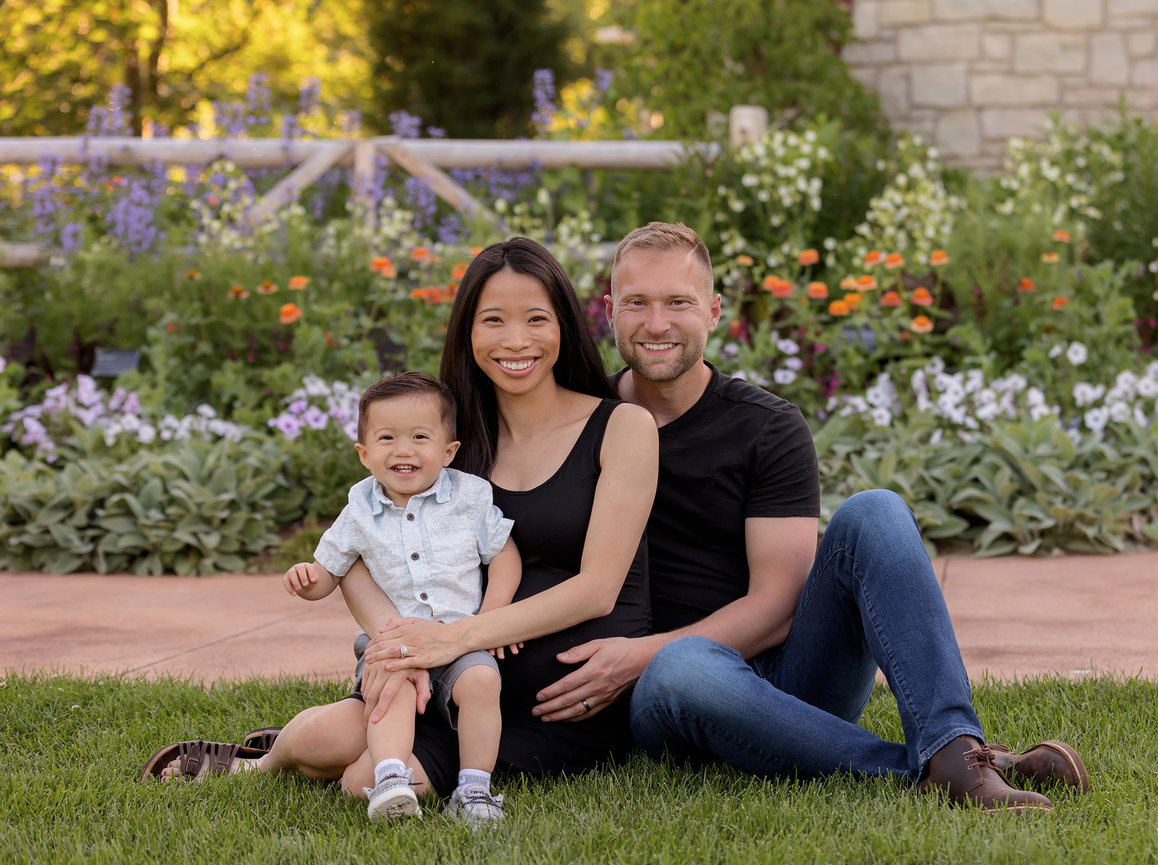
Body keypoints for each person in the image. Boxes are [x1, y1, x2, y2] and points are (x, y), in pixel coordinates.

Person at [515, 221, 1089, 812]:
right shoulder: (588, 426)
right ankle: (939, 769)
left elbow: (778, 604)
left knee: (876, 511)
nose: (657, 323)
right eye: (637, 303)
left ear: (713, 311)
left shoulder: (766, 427)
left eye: (678, 303)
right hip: (669, 698)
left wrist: (640, 653)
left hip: (795, 679)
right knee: (683, 667)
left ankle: (953, 746)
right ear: (610, 310)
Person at [139, 237, 659, 825]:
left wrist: (460, 637)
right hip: (437, 667)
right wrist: (398, 642)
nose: (516, 341)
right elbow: (361, 547)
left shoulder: (622, 426)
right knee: (325, 744)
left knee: (360, 781)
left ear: (564, 325)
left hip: (556, 699)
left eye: (536, 319)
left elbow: (598, 590)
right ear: (467, 331)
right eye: (493, 320)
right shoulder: (444, 438)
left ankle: (351, 752)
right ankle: (259, 764)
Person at [282, 370, 521, 823]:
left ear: (448, 451)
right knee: (393, 685)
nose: (404, 449)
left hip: (460, 638)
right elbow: (329, 572)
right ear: (364, 453)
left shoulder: (469, 497)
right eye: (387, 437)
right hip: (392, 643)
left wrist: (491, 618)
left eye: (420, 437)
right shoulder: (359, 510)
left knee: (483, 683)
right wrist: (307, 581)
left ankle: (475, 790)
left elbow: (504, 554)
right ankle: (391, 779)